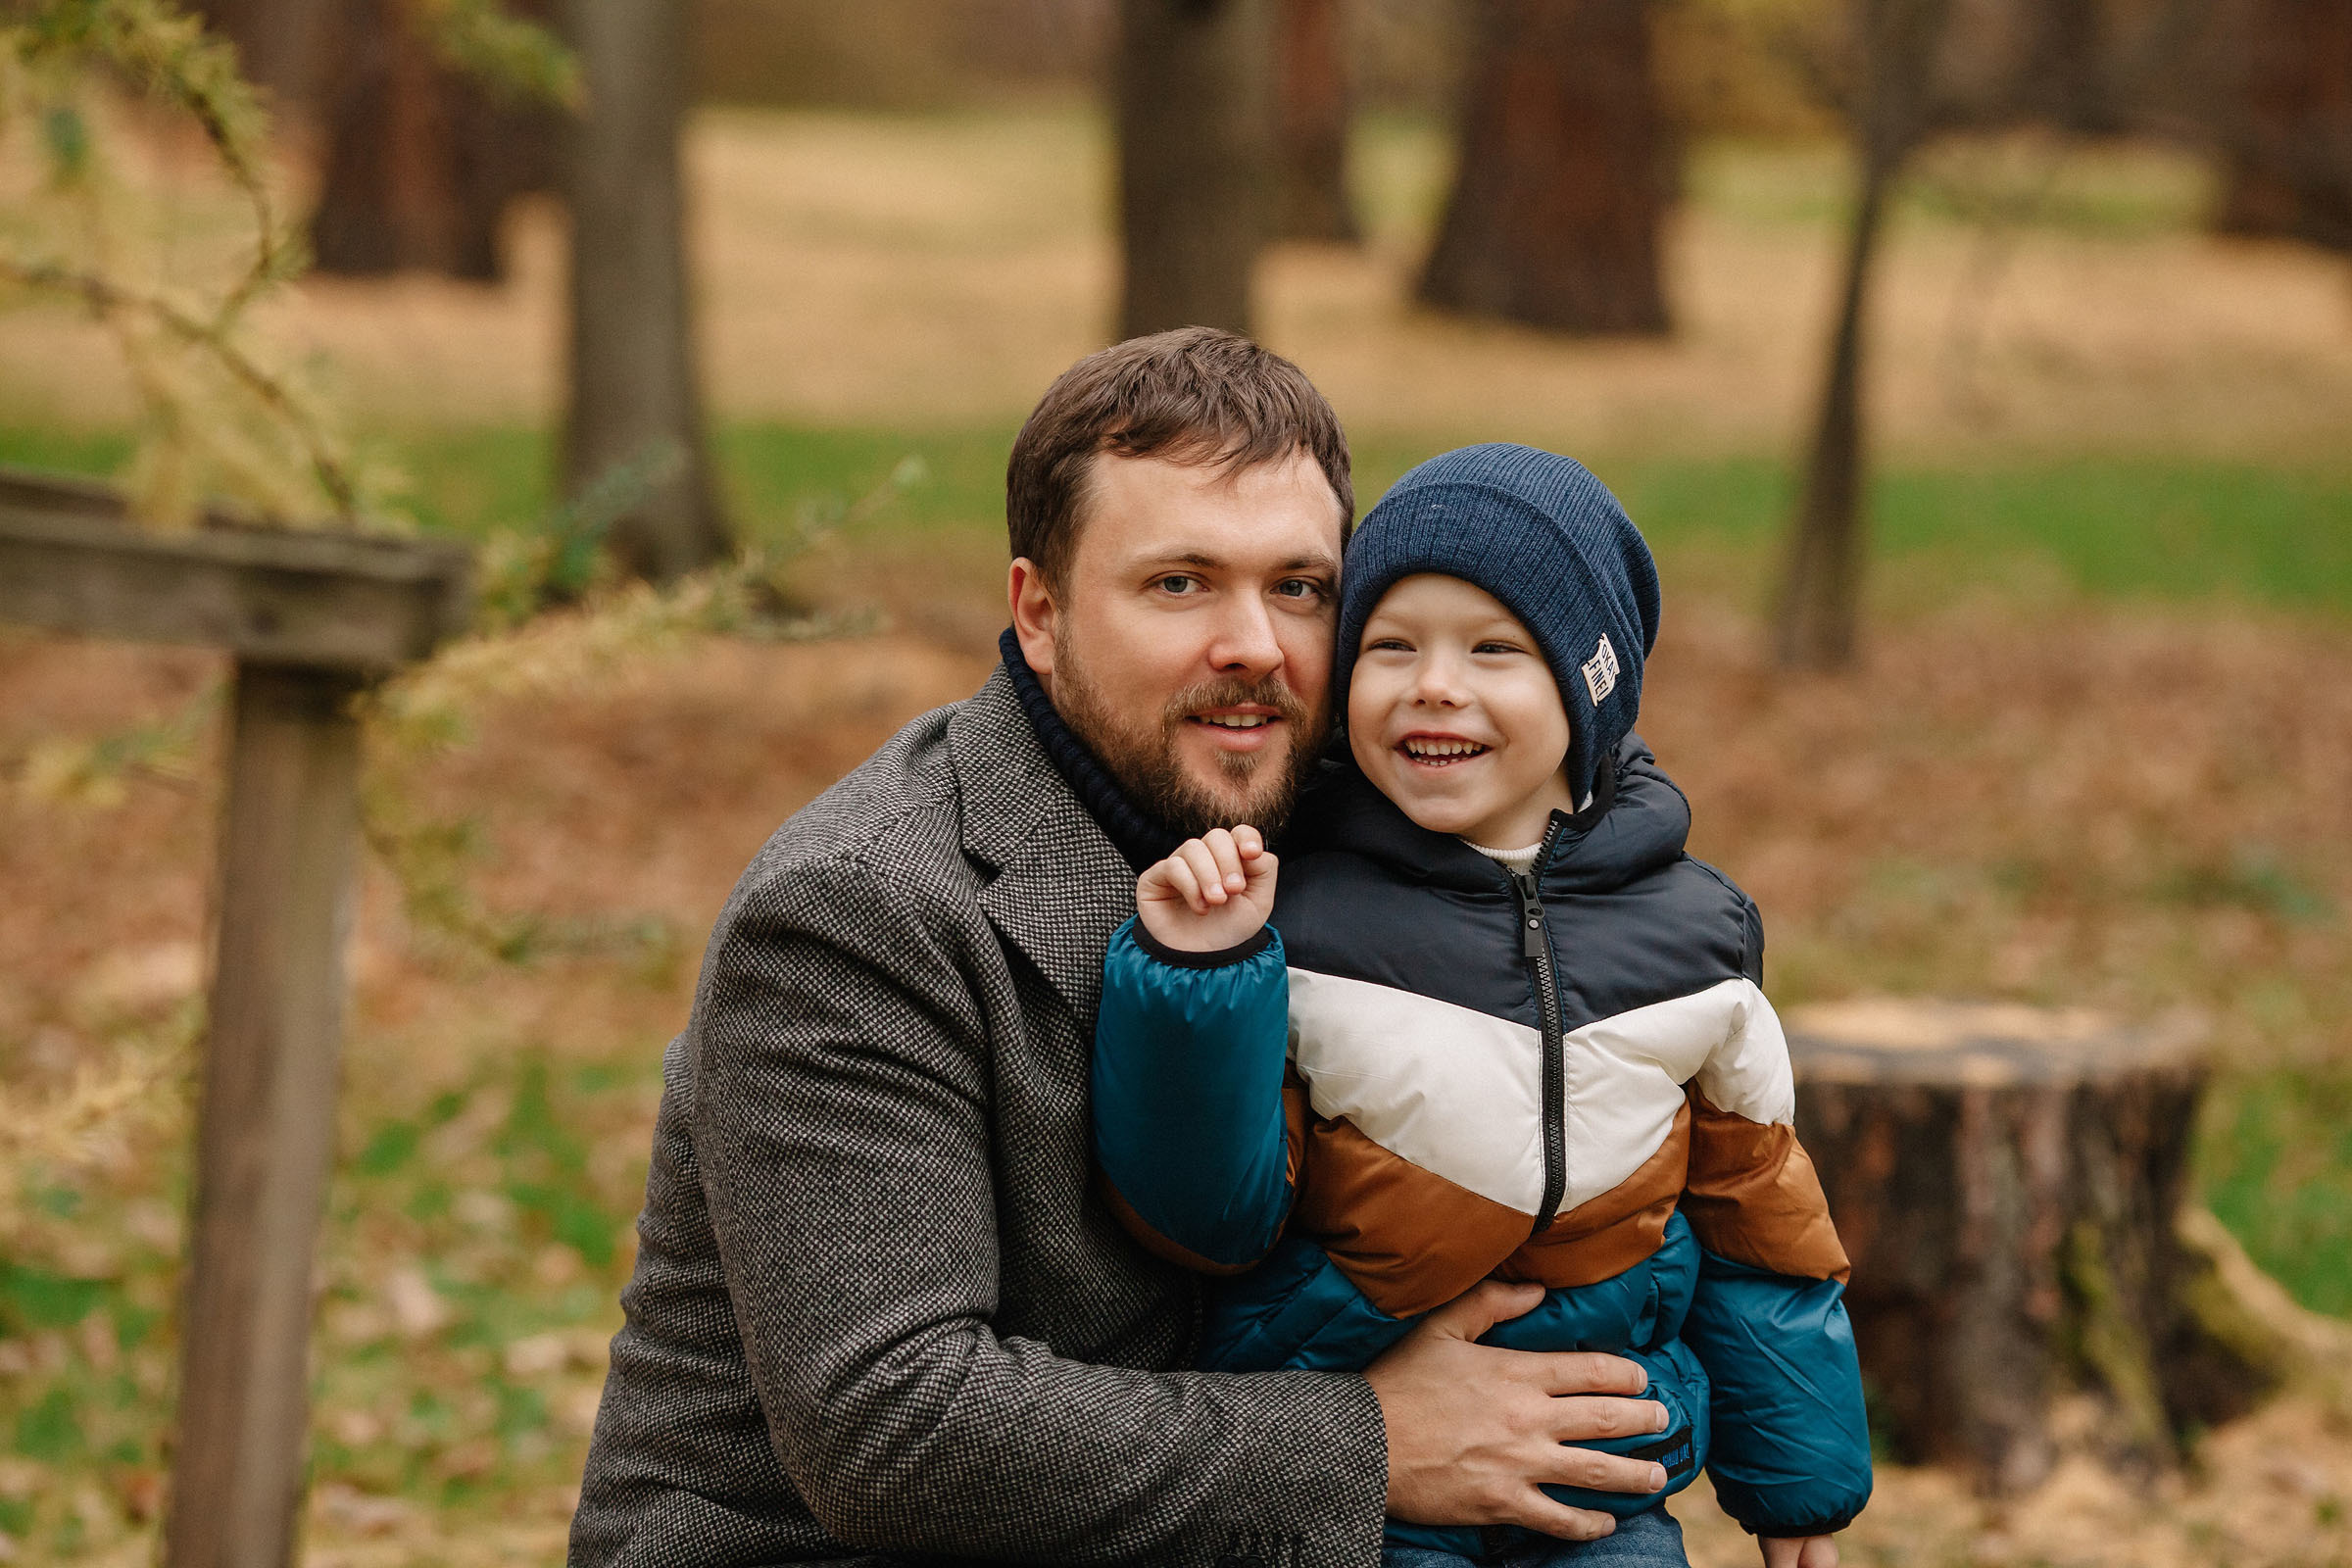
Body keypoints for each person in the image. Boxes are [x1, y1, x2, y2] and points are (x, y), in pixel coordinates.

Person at [568, 334, 1678, 1568]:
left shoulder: (1352, 831)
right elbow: (895, 1428)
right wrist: (1373, 1439)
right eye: (1180, 584)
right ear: (1039, 615)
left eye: (1299, 587)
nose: (1254, 643)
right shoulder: (859, 909)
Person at [1090, 445, 1874, 1568]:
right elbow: (1211, 1214)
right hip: (1368, 1478)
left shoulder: (1700, 939)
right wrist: (1200, 980)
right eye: (1391, 646)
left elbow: (1763, 1225)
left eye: (1493, 649)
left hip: (1604, 1472)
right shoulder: (1303, 922)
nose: (1434, 684)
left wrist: (1801, 1485)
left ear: (1589, 688)